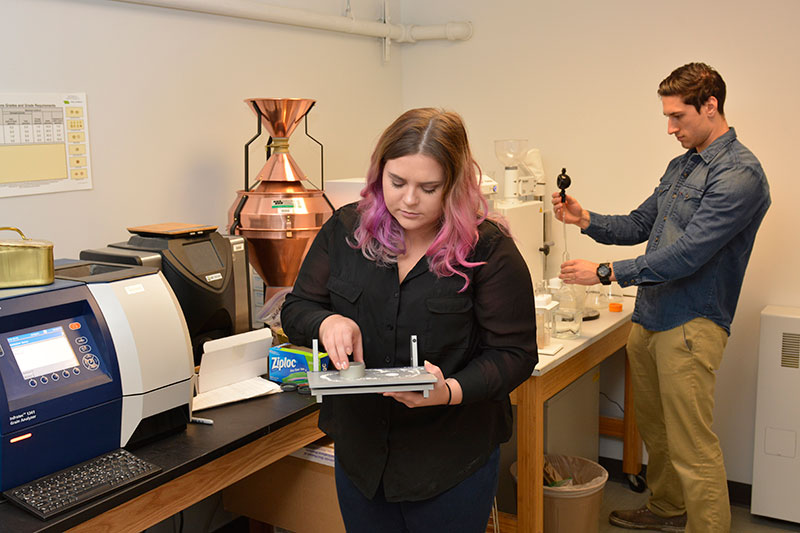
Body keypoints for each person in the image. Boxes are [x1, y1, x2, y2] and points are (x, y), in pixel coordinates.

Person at [281, 108, 538, 532]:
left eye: (429, 187)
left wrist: (450, 391)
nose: (409, 200)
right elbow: (297, 308)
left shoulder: (488, 250)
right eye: (397, 182)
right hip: (361, 457)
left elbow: (514, 354)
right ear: (379, 173)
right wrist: (327, 323)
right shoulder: (346, 230)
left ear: (454, 186)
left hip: (450, 460)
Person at [552, 62, 770, 532]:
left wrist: (607, 273)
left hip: (692, 324)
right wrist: (584, 217)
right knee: (657, 432)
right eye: (667, 117)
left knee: (693, 444)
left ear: (711, 106)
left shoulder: (740, 174)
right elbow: (639, 224)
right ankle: (668, 510)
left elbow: (689, 254)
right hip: (650, 318)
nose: (671, 128)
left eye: (678, 117)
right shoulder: (682, 165)